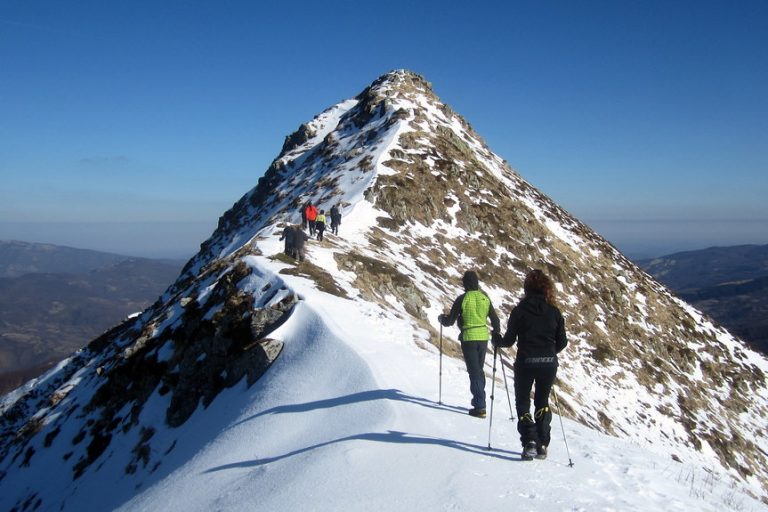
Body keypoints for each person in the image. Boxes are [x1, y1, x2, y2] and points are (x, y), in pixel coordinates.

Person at [494, 269, 567, 460]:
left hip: (525, 362)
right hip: (548, 363)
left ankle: (530, 441)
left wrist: (497, 341)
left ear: (527, 289)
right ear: (547, 289)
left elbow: (509, 341)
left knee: (523, 402)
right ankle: (542, 443)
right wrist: (551, 353)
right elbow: (563, 342)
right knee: (542, 402)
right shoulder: (554, 312)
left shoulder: (519, 311)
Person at [439, 270, 500, 418]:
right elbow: (496, 320)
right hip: (483, 337)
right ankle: (480, 399)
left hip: (468, 337)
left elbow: (450, 321)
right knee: (478, 369)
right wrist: (496, 335)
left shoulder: (463, 298)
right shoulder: (484, 298)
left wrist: (442, 319)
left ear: (465, 283)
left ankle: (480, 406)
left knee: (474, 371)